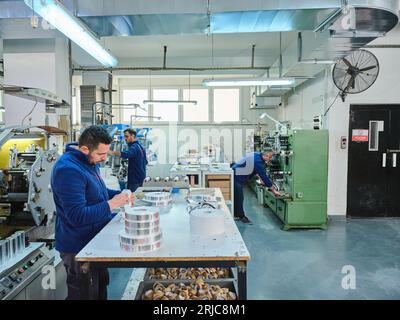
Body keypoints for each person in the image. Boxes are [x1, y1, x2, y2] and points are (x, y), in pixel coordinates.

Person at [51, 126, 134, 300]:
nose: (104, 159)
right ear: (84, 149)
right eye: (101, 155)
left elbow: (98, 193)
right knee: (83, 293)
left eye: (106, 154)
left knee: (99, 286)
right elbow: (77, 215)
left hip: (93, 241)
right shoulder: (68, 170)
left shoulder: (88, 161)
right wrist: (112, 204)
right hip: (78, 247)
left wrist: (120, 195)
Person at [232, 150, 280, 224]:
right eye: (269, 157)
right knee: (239, 197)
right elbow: (263, 176)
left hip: (235, 171)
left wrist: (261, 179)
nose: (270, 159)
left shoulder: (256, 154)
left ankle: (236, 214)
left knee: (236, 196)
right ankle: (241, 216)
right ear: (266, 155)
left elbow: (257, 170)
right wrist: (274, 191)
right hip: (238, 177)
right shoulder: (258, 162)